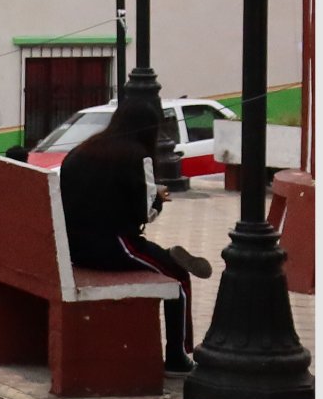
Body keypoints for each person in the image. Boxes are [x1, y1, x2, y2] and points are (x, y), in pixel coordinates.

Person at [57, 106, 213, 371]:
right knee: (178, 277)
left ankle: (164, 254)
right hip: (114, 247)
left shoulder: (81, 150)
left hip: (72, 249)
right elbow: (145, 213)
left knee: (157, 258)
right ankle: (177, 356)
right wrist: (158, 200)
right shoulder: (137, 157)